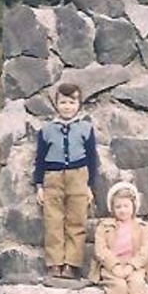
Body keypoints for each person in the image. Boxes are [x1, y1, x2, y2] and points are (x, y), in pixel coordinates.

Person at [33, 83, 99, 279]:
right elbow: (39, 159)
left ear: (79, 104)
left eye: (72, 102)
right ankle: (54, 263)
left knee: (76, 220)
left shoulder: (86, 128)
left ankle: (72, 263)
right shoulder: (47, 130)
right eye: (63, 102)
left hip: (78, 176)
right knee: (53, 221)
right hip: (52, 177)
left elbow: (92, 159)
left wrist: (89, 185)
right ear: (56, 104)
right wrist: (39, 186)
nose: (67, 106)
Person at [91, 181, 148, 294]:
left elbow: (145, 250)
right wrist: (115, 266)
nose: (122, 210)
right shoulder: (104, 226)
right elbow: (101, 250)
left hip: (135, 265)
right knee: (118, 286)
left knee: (137, 283)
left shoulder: (143, 227)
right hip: (112, 267)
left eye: (126, 206)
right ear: (113, 209)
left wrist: (132, 265)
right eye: (118, 207)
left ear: (133, 207)